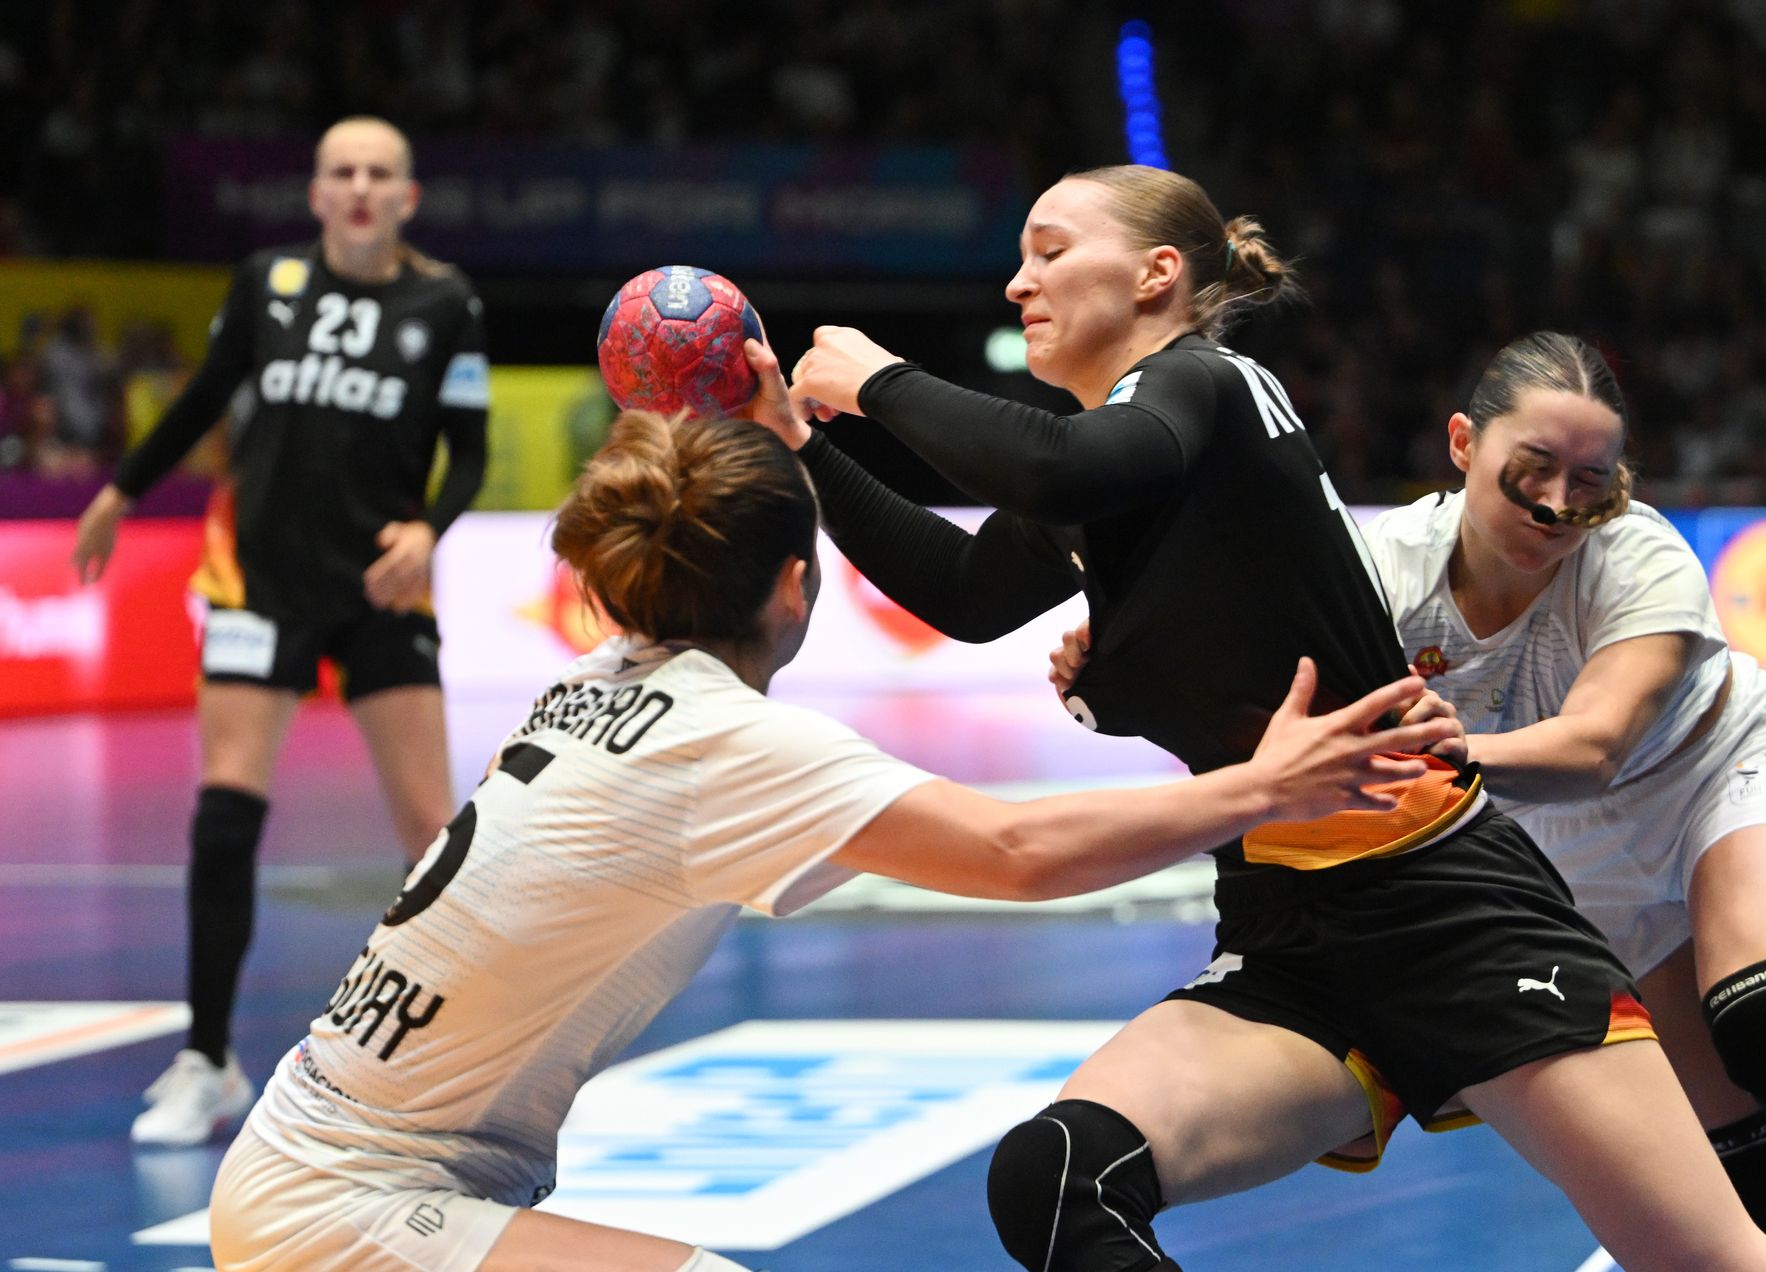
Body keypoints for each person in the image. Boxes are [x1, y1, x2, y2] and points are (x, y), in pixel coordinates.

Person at [774, 164, 1766, 1272]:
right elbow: (969, 595)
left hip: (1440, 903)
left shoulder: (1207, 383)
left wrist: (879, 383)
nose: (1019, 283)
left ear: (1157, 274)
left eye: (1050, 250)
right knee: (1058, 1179)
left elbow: (1063, 468)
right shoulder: (1122, 459)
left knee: (1725, 1264)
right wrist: (801, 444)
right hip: (1286, 922)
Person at [207, 408, 1456, 1272]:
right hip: (352, 1207)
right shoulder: (715, 743)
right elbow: (1016, 851)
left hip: (318, 1157)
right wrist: (1260, 787)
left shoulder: (592, 679)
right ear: (794, 589)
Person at [70, 116, 491, 1147]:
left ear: (407, 196)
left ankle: (459, 1064)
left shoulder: (447, 303)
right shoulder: (266, 284)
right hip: (257, 583)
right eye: (342, 171)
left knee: (431, 837)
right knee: (224, 814)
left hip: (381, 590)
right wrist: (121, 491)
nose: (360, 186)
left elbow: (470, 450)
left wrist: (428, 529)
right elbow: (204, 397)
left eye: (379, 173)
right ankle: (206, 1059)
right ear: (316, 193)